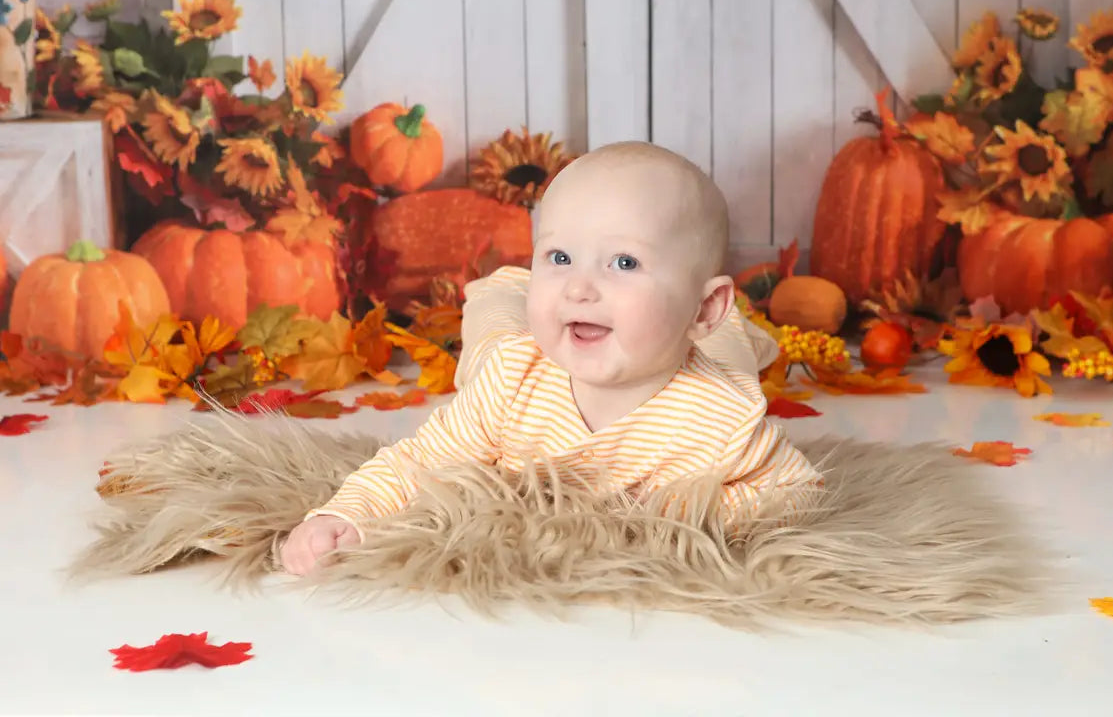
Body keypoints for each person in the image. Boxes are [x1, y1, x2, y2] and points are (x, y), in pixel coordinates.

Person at [280, 141, 823, 576]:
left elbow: (796, 491)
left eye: (625, 262)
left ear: (704, 305)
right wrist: (347, 514)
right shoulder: (509, 379)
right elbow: (419, 462)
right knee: (498, 312)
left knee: (726, 349)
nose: (580, 287)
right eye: (559, 256)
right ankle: (505, 286)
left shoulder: (721, 415)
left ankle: (734, 330)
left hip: (699, 343)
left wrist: (687, 512)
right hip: (515, 353)